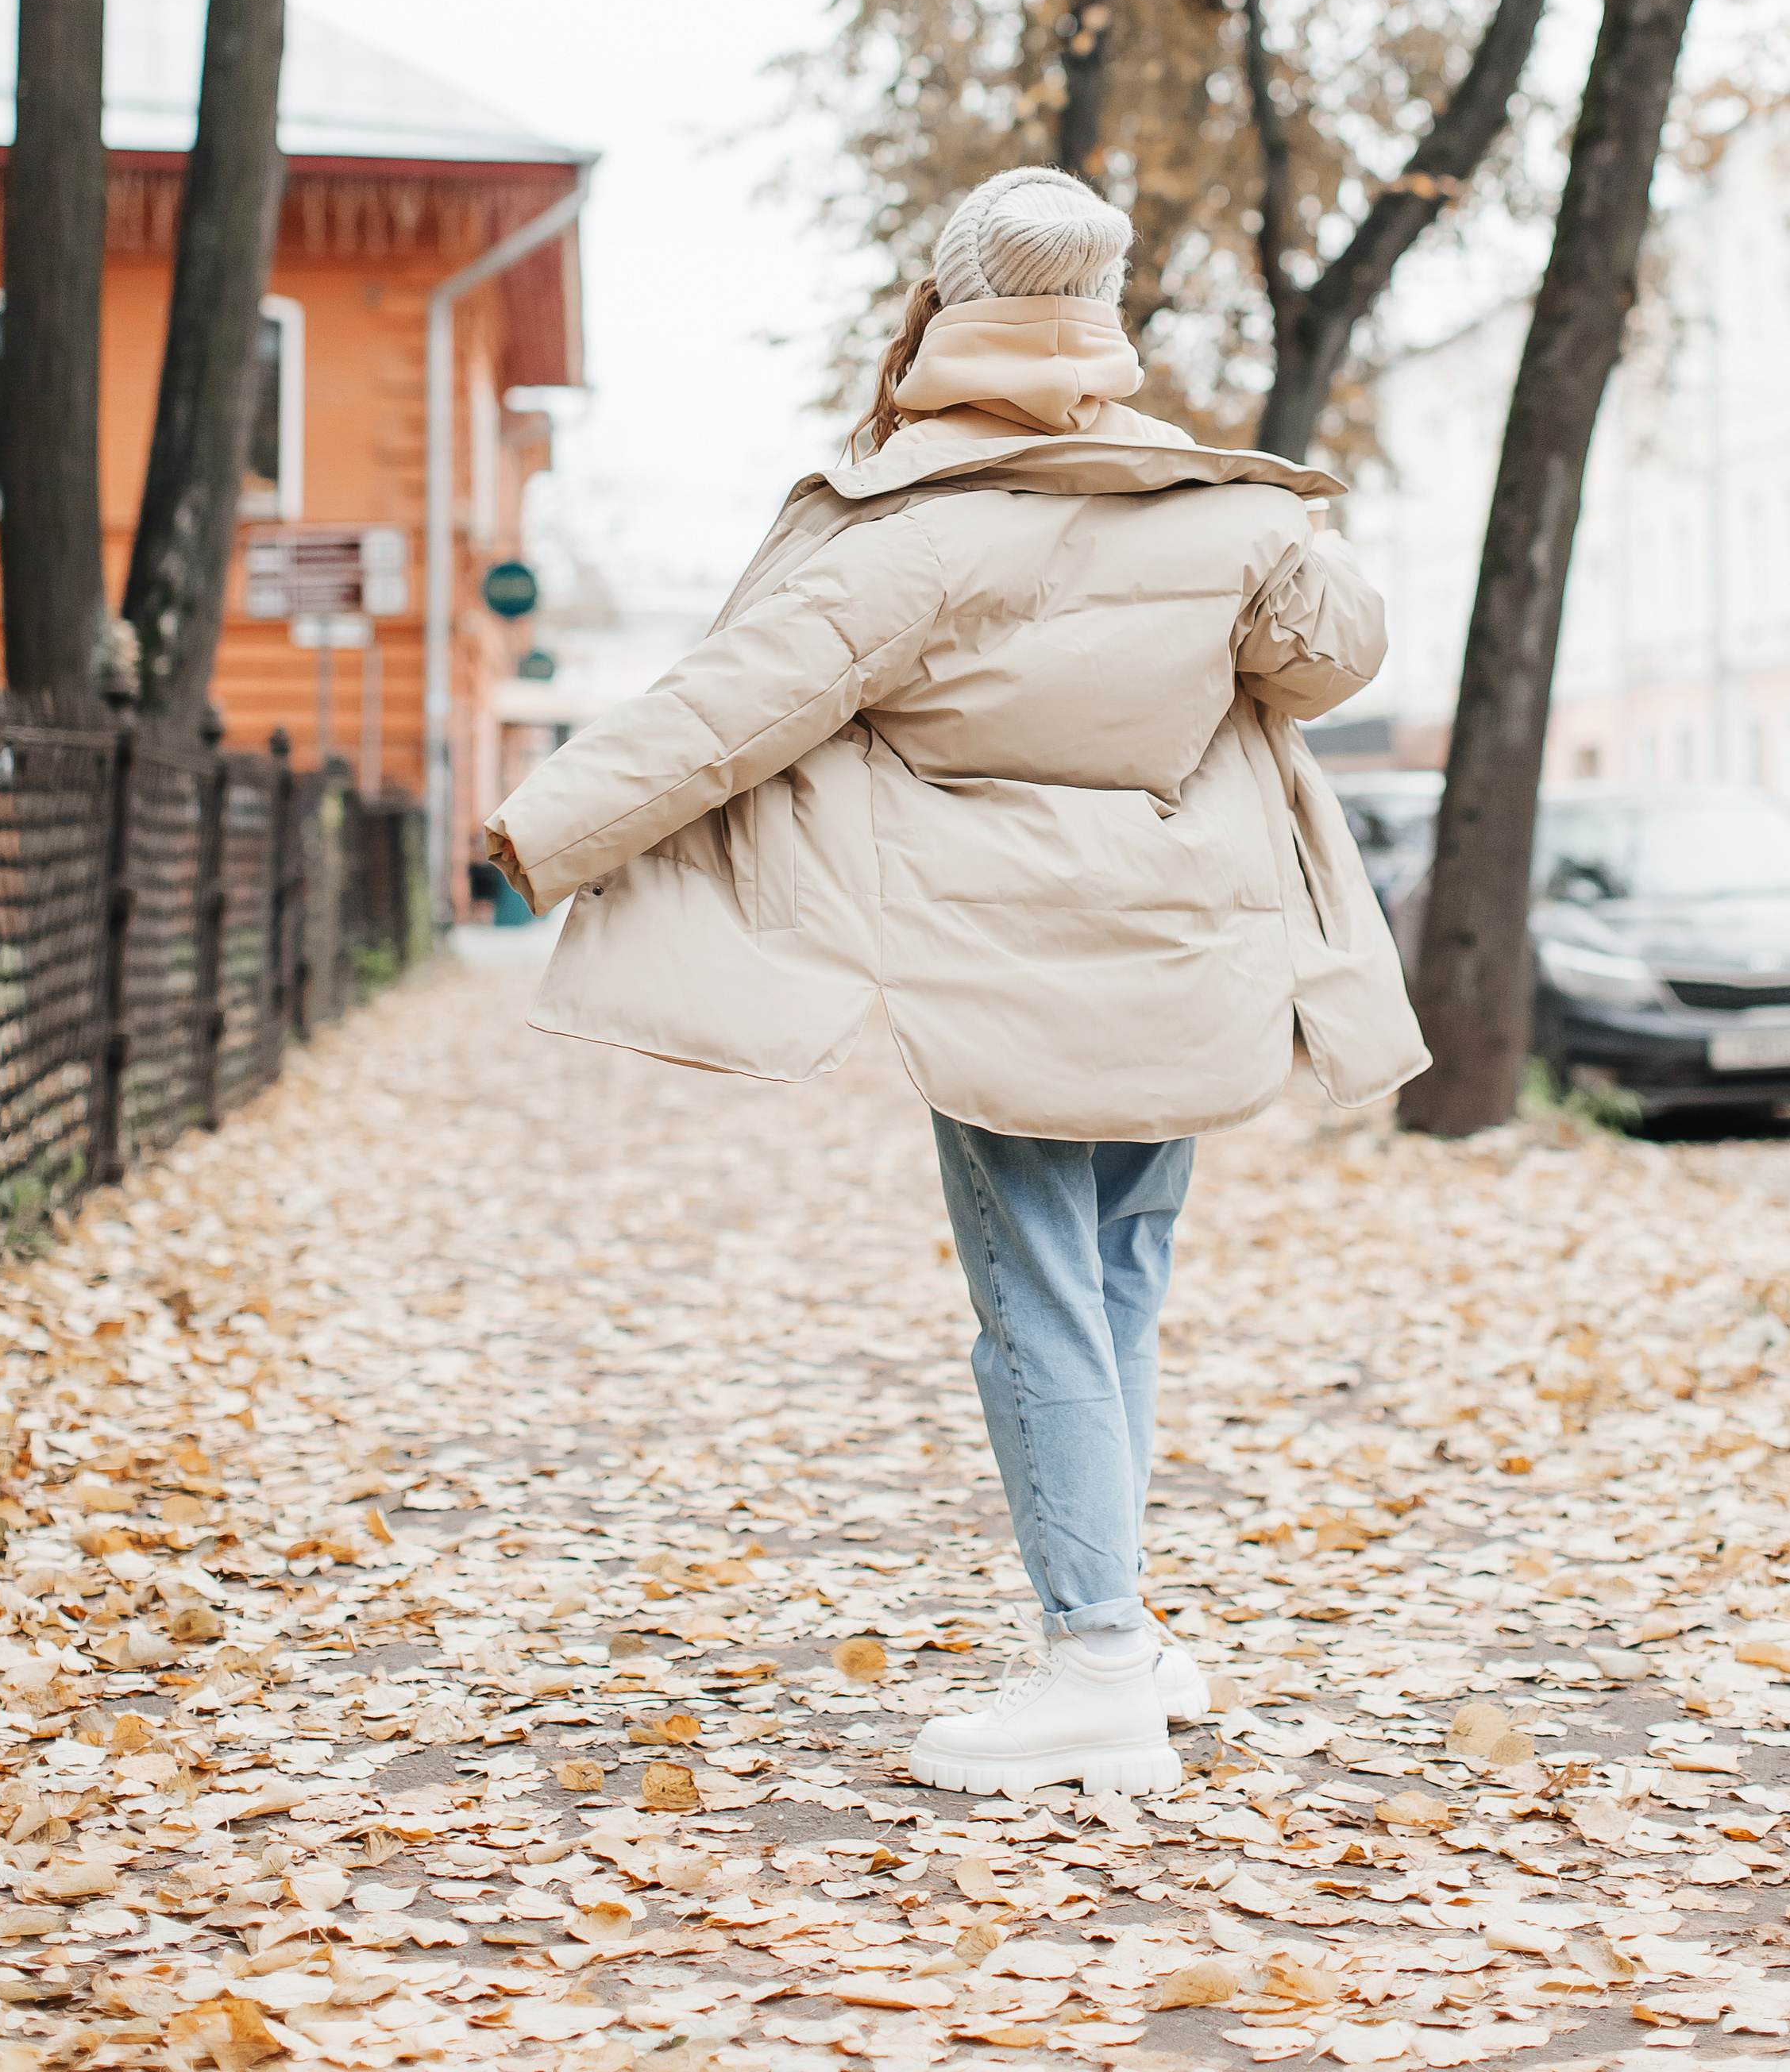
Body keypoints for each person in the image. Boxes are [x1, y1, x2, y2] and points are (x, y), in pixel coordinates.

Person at [485, 166, 1427, 1798]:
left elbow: (729, 705)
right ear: (1101, 320)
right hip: (1188, 949)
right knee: (1119, 1278)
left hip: (1003, 972)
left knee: (1038, 1303)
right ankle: (1125, 1626)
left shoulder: (915, 534)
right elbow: (1333, 657)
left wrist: (536, 828)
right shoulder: (1224, 506)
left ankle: (1095, 1663)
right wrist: (1267, 542)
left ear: (940, 312)